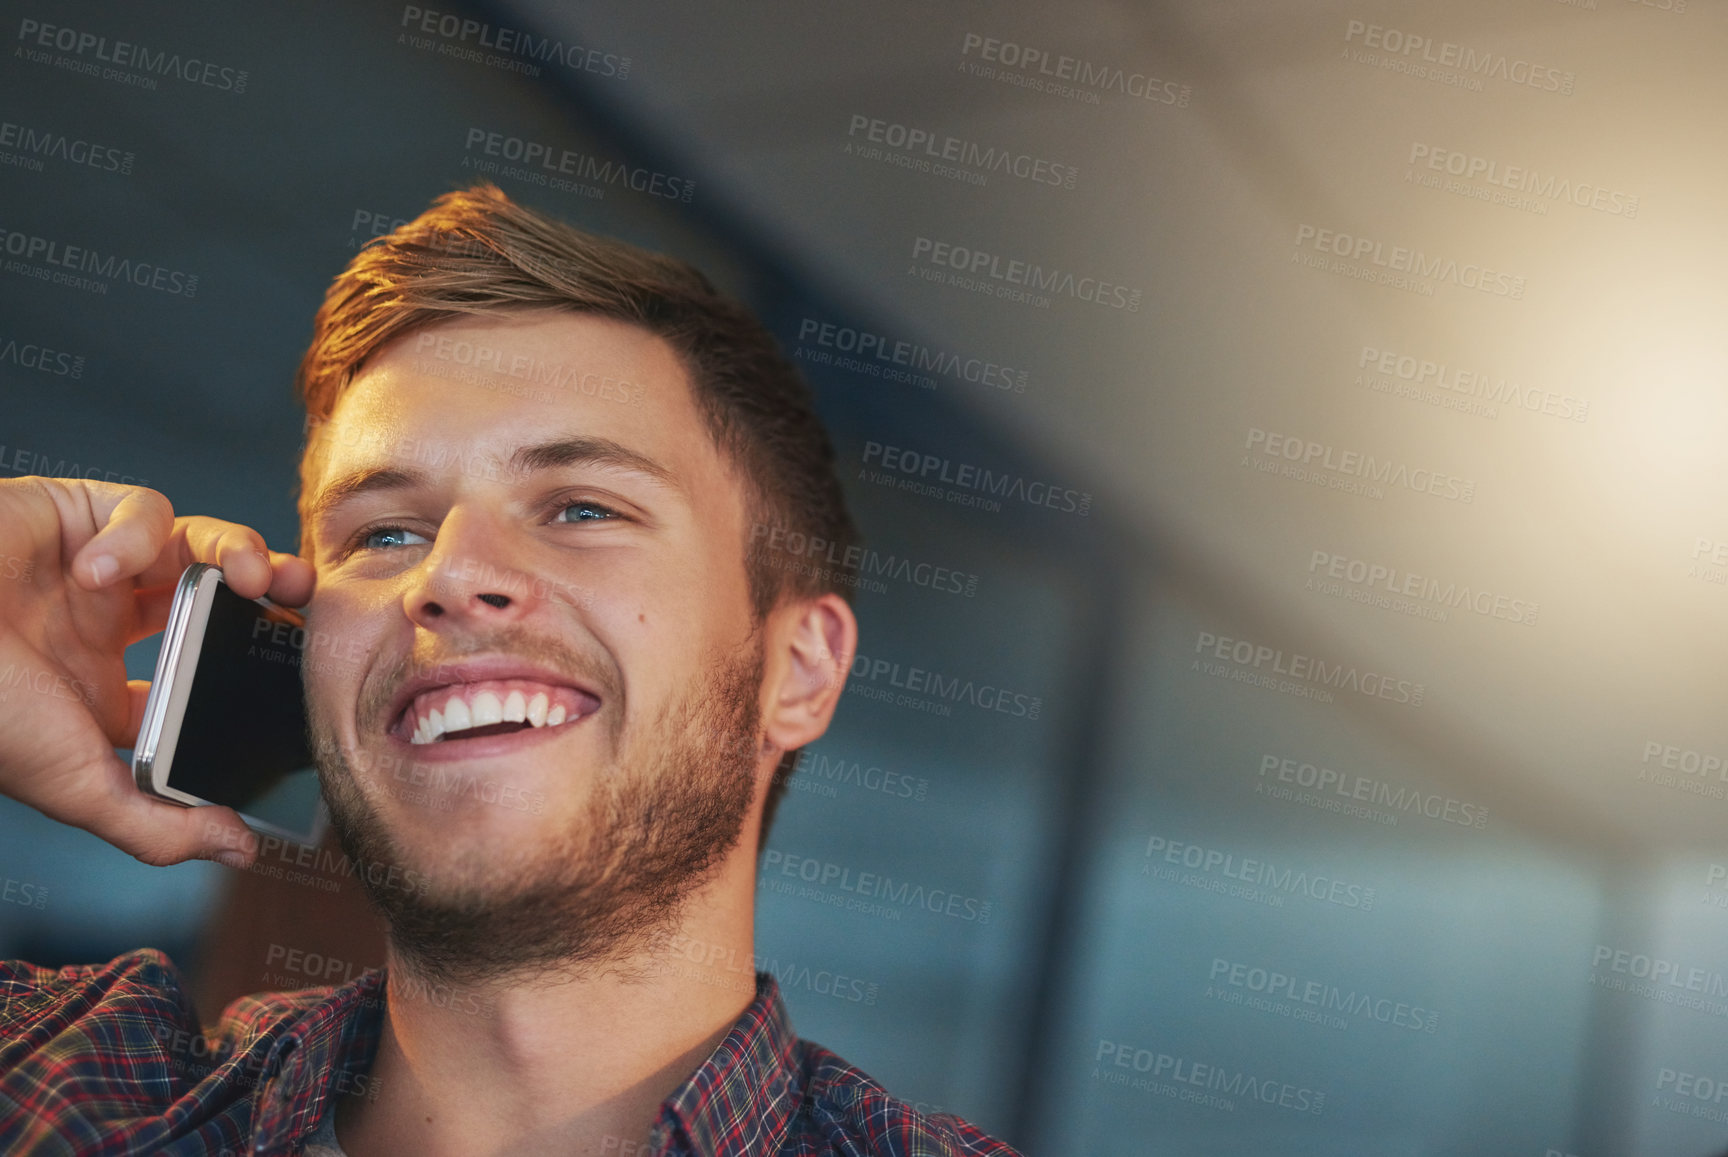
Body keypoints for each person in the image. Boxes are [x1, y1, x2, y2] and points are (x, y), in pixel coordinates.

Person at [0, 184, 1021, 1156]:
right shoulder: (60, 1088)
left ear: (798, 669)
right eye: (388, 530)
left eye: (583, 507)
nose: (449, 575)